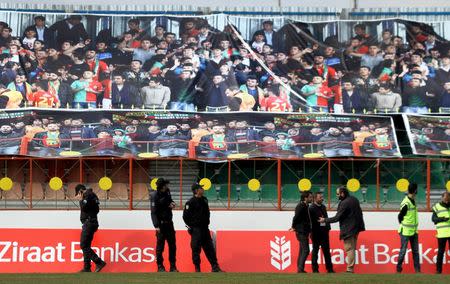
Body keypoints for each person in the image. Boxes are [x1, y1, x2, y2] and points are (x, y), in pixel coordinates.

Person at [319, 186, 365, 273]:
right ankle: (351, 268)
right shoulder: (354, 199)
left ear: (342, 193)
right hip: (357, 227)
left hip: (349, 229)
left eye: (337, 194)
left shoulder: (344, 203)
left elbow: (337, 218)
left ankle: (350, 269)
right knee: (352, 248)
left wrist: (324, 220)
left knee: (349, 249)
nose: (337, 196)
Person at [183, 183, 223, 273]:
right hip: (196, 229)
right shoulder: (190, 202)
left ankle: (215, 267)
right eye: (201, 188)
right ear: (196, 190)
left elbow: (207, 212)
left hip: (205, 228)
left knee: (210, 248)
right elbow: (185, 217)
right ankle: (197, 268)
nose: (203, 189)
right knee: (196, 249)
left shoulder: (205, 200)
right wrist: (192, 226)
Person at [75, 184, 107, 273]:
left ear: (80, 191)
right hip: (92, 222)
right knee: (86, 246)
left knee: (83, 245)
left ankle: (98, 262)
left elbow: (84, 207)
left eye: (77, 194)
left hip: (88, 223)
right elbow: (97, 210)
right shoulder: (93, 195)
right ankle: (87, 267)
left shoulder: (87, 196)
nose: (77, 196)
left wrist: (81, 200)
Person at [150, 178, 178, 272]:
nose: (168, 186)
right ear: (162, 186)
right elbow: (153, 212)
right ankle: (160, 266)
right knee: (160, 247)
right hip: (161, 225)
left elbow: (170, 201)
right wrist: (156, 225)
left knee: (172, 246)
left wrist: (172, 204)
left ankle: (173, 266)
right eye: (166, 184)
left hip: (169, 223)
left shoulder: (167, 192)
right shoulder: (154, 195)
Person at [396, 183, 421, 273]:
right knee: (403, 250)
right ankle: (398, 268)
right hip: (406, 231)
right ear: (415, 191)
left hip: (413, 231)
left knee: (415, 251)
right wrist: (403, 224)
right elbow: (400, 216)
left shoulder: (412, 200)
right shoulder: (406, 202)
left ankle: (417, 270)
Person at [308, 192, 334, 273]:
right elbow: (313, 221)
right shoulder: (311, 208)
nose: (322, 198)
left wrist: (328, 228)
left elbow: (325, 218)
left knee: (326, 251)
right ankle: (315, 269)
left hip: (324, 233)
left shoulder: (323, 207)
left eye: (322, 197)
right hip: (315, 233)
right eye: (320, 197)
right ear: (315, 198)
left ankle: (329, 269)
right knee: (315, 251)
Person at [289, 191, 313, 273]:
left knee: (302, 250)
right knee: (306, 250)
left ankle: (300, 268)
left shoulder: (305, 205)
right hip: (301, 231)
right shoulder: (301, 206)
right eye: (310, 197)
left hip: (304, 231)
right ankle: (300, 269)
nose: (311, 198)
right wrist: (293, 226)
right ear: (305, 198)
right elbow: (295, 217)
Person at [432, 191, 450, 274]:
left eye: (448, 199)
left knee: (441, 252)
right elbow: (434, 219)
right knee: (440, 252)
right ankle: (438, 270)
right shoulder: (437, 207)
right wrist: (442, 219)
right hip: (442, 233)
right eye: (445, 199)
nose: (447, 201)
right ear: (442, 198)